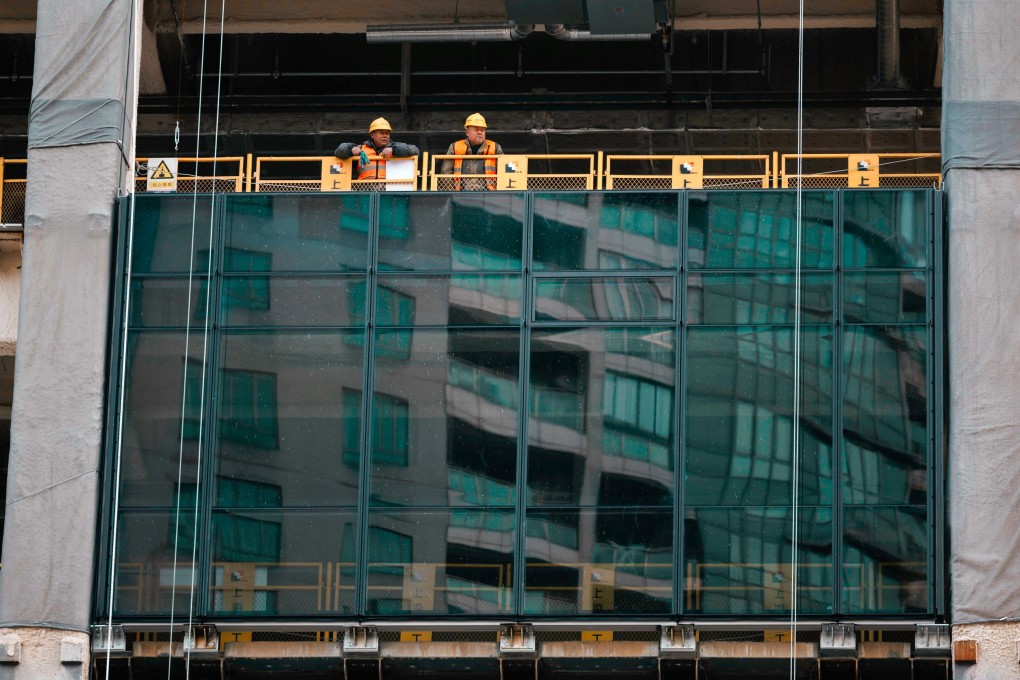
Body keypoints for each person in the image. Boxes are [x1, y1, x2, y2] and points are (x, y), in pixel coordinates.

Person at [334, 118, 419, 182]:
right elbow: (339, 151)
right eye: (382, 133)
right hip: (364, 188)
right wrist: (351, 148)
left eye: (387, 133)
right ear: (372, 135)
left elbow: (415, 150)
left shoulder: (395, 146)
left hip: (388, 188)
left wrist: (393, 150)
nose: (385, 136)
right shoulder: (361, 148)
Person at [441, 113, 503, 190]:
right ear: (467, 132)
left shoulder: (495, 147)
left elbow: (504, 172)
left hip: (489, 195)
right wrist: (451, 192)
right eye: (476, 130)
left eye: (482, 130)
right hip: (461, 194)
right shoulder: (455, 147)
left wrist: (499, 194)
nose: (480, 132)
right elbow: (446, 173)